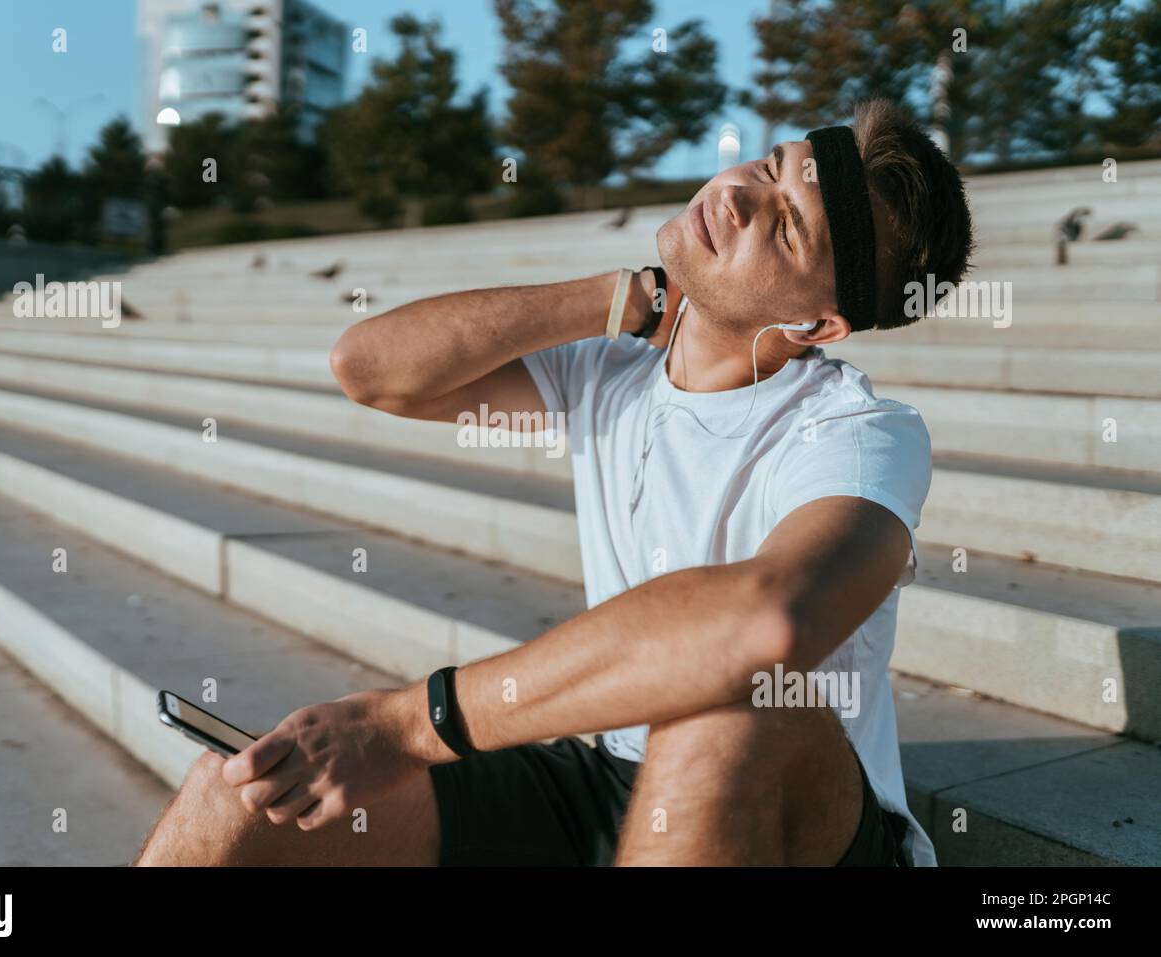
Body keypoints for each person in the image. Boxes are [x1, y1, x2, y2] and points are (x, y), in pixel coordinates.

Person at [135, 98, 973, 867]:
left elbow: (763, 621)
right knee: (237, 800)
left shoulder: (858, 433)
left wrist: (408, 723)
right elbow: (372, 369)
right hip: (606, 777)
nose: (740, 196)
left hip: (799, 819)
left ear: (816, 323)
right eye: (767, 168)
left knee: (724, 707)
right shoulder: (611, 370)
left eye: (787, 226)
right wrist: (621, 299)